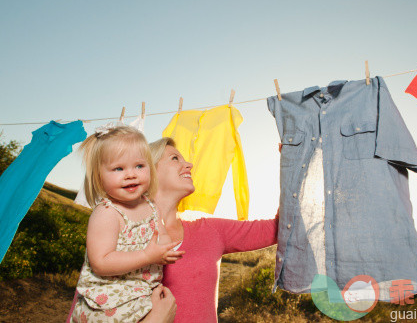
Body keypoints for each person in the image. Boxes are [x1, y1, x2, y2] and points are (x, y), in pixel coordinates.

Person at [149, 137, 278, 322]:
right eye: (175, 158)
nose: (189, 164)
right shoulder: (123, 233)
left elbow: (279, 228)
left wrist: (293, 164)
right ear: (149, 172)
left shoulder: (210, 230)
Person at [70, 125, 184, 323]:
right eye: (118, 168)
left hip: (141, 295)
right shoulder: (107, 213)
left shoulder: (151, 206)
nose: (131, 174)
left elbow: (161, 234)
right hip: (108, 301)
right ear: (98, 176)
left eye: (139, 166)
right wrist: (146, 255)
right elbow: (101, 262)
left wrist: (165, 249)